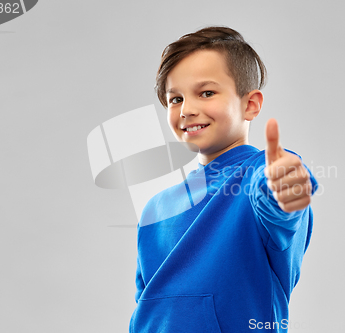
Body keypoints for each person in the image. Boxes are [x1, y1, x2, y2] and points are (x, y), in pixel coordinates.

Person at [129, 26, 319, 333]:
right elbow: (147, 303)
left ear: (250, 104)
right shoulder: (156, 207)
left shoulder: (260, 174)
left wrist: (284, 186)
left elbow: (279, 202)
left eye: (206, 93)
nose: (187, 110)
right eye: (175, 99)